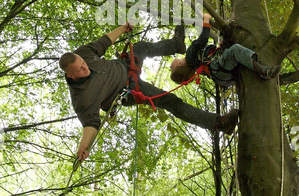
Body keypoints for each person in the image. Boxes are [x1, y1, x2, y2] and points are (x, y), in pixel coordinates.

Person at [59, 22, 239, 163]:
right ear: (70, 75)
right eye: (81, 70)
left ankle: (176, 44)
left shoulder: (82, 54)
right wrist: (84, 146)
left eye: (84, 63)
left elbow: (104, 42)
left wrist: (123, 28)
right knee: (171, 101)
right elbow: (90, 123)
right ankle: (219, 123)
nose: (86, 68)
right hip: (129, 90)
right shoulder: (81, 98)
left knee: (141, 47)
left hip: (125, 65)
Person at [171, 13, 282, 87]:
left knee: (235, 54)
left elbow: (212, 56)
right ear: (180, 64)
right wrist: (206, 20)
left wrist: (222, 48)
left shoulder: (196, 64)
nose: (170, 66)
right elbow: (203, 39)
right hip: (218, 69)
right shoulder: (190, 54)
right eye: (171, 67)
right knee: (235, 50)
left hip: (223, 78)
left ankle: (257, 69)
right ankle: (264, 71)